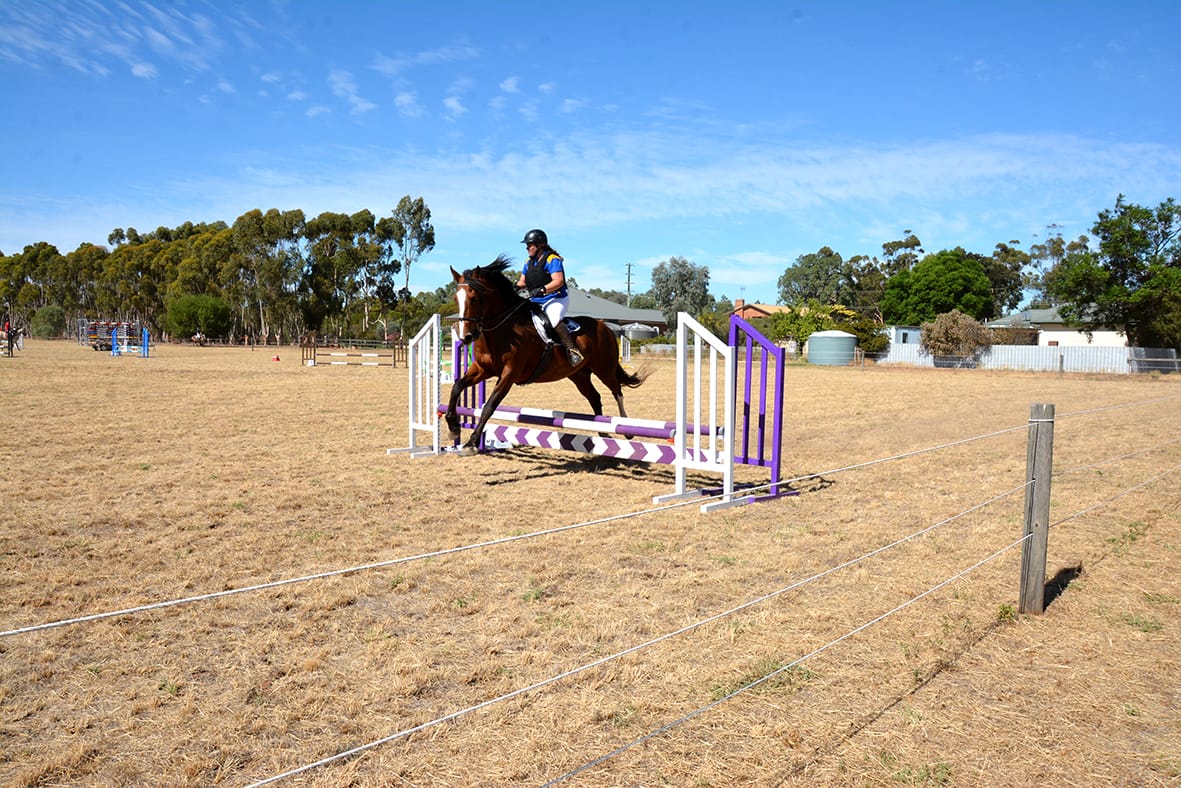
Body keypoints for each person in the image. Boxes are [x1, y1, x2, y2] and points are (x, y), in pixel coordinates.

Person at [516, 228, 583, 365]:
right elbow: (523, 281)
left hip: (555, 298)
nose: (527, 248)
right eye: (526, 245)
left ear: (540, 245)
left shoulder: (552, 259)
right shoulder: (528, 262)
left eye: (530, 245)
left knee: (553, 320)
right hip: (536, 300)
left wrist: (542, 289)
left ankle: (573, 351)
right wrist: (515, 287)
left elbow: (558, 281)